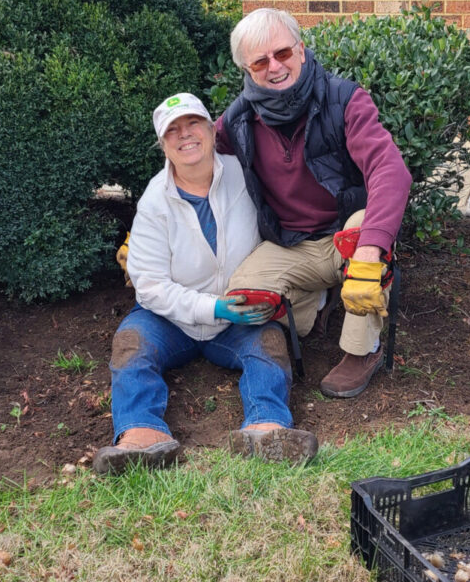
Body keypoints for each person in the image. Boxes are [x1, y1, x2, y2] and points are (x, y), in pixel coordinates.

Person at [93, 93, 318, 474]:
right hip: (170, 320)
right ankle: (142, 435)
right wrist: (210, 307)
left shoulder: (244, 174)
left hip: (238, 314)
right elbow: (149, 286)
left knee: (269, 344)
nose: (186, 136)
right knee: (131, 345)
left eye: (193, 123)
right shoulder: (154, 201)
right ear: (163, 145)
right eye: (173, 131)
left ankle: (267, 428)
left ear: (212, 129)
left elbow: (284, 221)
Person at [216, 8, 412, 399]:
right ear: (247, 70)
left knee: (362, 237)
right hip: (290, 242)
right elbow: (195, 165)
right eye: (260, 61)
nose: (274, 67)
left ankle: (361, 352)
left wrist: (373, 248)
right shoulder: (237, 120)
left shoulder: (345, 99)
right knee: (243, 296)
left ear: (301, 51)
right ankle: (315, 306)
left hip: (346, 232)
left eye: (282, 53)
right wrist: (151, 228)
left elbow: (391, 170)